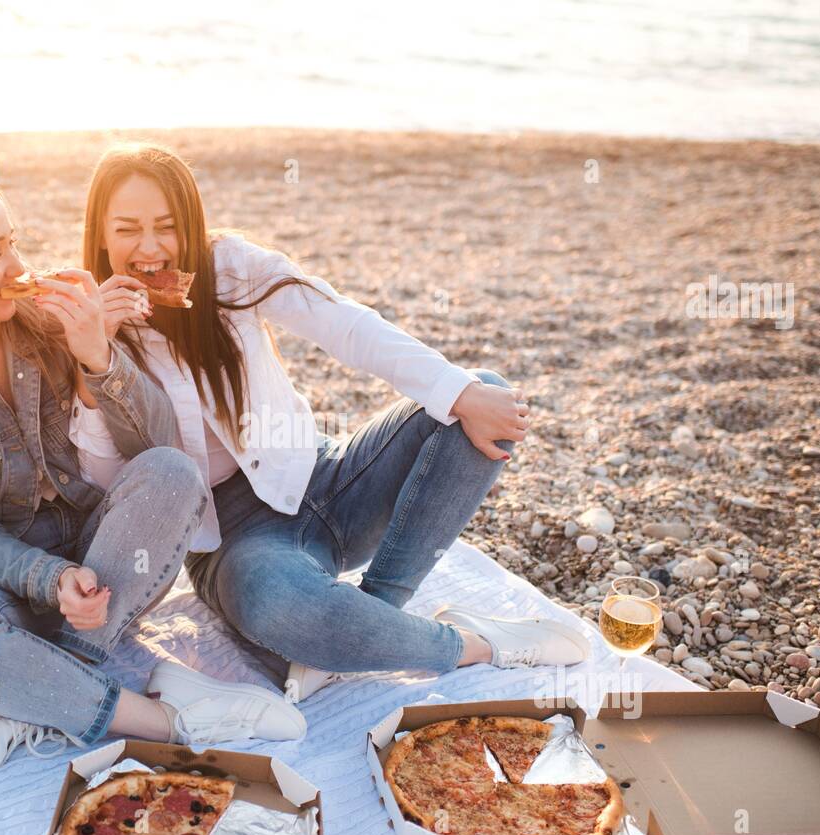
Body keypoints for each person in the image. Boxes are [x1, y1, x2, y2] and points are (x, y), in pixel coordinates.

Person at [71, 143, 591, 706]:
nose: (150, 249)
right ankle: (474, 643)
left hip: (324, 476)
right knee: (283, 609)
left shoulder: (232, 269)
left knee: (480, 397)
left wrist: (460, 391)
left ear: (191, 226)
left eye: (167, 227)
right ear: (100, 235)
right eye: (127, 229)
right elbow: (108, 478)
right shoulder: (85, 326)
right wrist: (95, 363)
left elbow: (343, 323)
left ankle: (374, 616)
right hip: (232, 541)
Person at [0, 157, 305, 773]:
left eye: (14, 245)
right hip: (3, 575)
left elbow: (161, 446)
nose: (17, 267)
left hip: (104, 563)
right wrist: (49, 581)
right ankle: (160, 716)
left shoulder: (47, 323)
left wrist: (96, 354)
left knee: (171, 472)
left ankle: (26, 694)